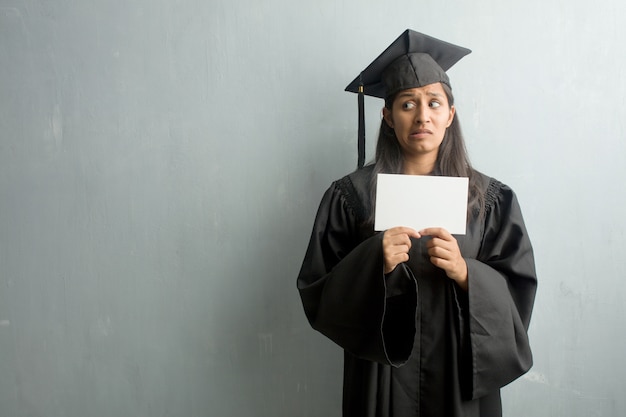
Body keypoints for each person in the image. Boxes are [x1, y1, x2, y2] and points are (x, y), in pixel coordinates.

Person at [297, 29, 537, 417]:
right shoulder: (351, 197)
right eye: (407, 104)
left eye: (433, 103)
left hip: (459, 374)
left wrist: (467, 274)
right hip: (383, 378)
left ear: (450, 115)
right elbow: (318, 290)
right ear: (387, 116)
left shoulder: (489, 200)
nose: (422, 115)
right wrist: (373, 263)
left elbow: (518, 291)